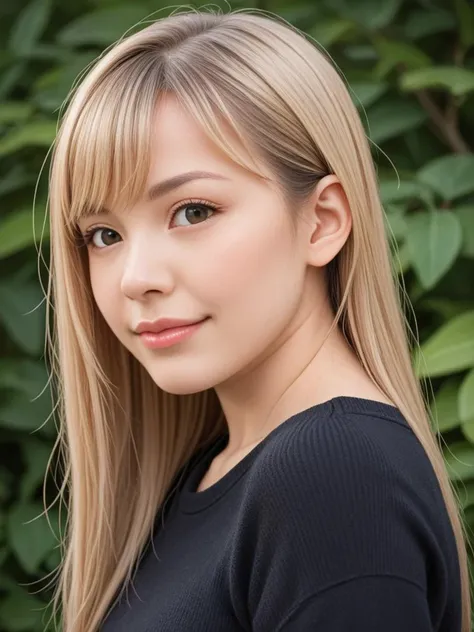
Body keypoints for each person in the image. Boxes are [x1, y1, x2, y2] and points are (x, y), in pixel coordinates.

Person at [44, 8, 470, 632]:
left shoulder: (333, 477)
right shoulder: (211, 474)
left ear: (322, 221)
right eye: (103, 233)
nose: (135, 277)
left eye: (192, 212)